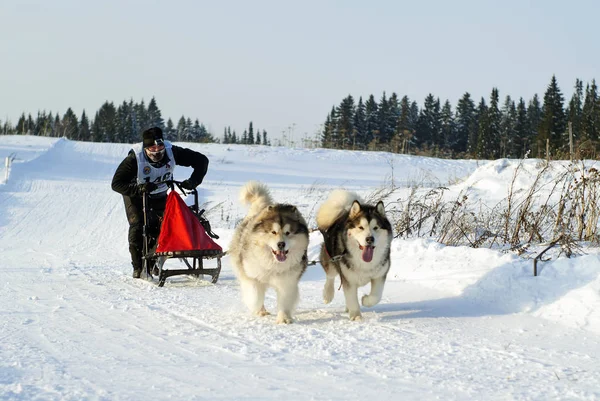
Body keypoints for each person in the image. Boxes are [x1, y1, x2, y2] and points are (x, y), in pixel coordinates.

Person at [111, 127, 209, 278]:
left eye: (160, 147)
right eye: (152, 148)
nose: (157, 151)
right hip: (136, 194)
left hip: (160, 193)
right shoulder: (135, 158)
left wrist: (193, 182)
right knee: (139, 225)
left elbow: (202, 161)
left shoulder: (172, 152)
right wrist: (139, 188)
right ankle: (138, 267)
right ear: (145, 148)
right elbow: (116, 183)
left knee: (164, 227)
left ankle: (153, 262)